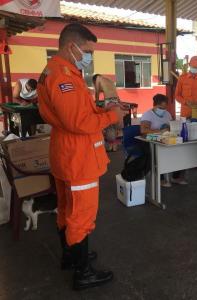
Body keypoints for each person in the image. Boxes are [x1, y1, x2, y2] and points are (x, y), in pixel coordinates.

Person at [37, 23, 125, 290]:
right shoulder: (63, 77)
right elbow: (78, 122)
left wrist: (100, 109)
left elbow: (76, 114)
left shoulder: (56, 71)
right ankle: (83, 272)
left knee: (66, 208)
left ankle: (71, 255)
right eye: (86, 51)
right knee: (82, 215)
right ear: (70, 46)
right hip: (79, 157)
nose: (88, 57)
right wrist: (112, 115)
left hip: (65, 152)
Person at [140, 94, 175, 187]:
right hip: (150, 141)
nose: (163, 110)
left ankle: (176, 176)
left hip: (164, 140)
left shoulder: (167, 114)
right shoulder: (148, 114)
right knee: (158, 154)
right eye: (160, 108)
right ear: (154, 105)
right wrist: (160, 131)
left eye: (164, 108)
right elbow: (143, 131)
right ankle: (161, 178)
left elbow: (171, 126)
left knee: (178, 150)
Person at [93, 74, 121, 151]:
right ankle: (114, 145)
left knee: (108, 122)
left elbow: (97, 92)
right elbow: (114, 92)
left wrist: (96, 103)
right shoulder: (109, 80)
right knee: (114, 122)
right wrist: (120, 103)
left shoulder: (98, 78)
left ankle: (109, 145)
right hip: (115, 100)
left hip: (109, 101)